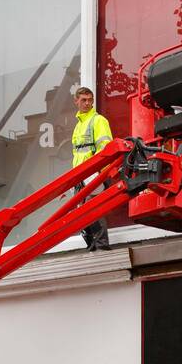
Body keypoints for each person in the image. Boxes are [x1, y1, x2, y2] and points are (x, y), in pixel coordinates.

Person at [71, 86, 113, 251]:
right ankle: (92, 245)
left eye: (90, 100)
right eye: (83, 100)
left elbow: (105, 148)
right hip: (81, 176)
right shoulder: (78, 126)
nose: (87, 103)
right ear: (76, 101)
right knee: (81, 214)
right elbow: (77, 155)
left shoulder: (98, 120)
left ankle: (101, 245)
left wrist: (102, 173)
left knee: (93, 209)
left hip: (94, 173)